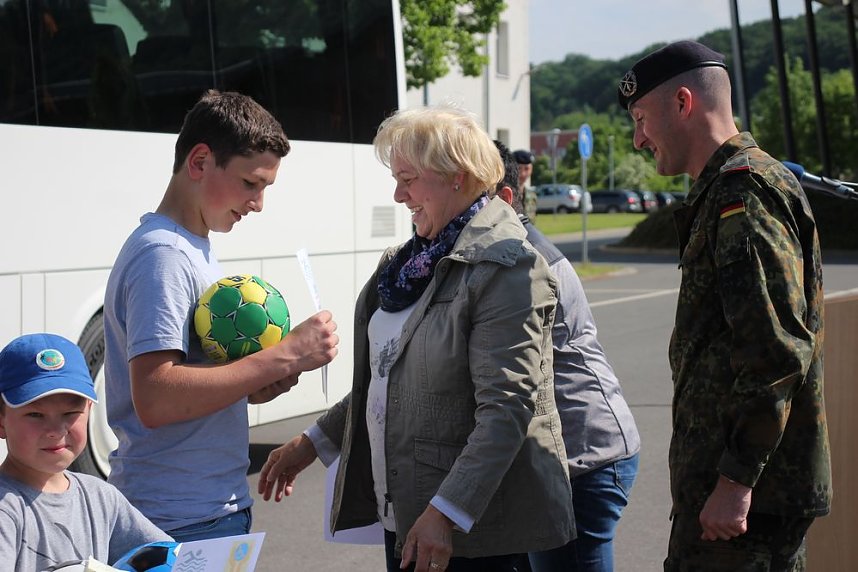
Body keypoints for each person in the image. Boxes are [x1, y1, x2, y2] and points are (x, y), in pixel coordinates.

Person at [258, 105, 575, 572]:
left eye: (409, 178)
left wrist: (447, 512)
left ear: (457, 176)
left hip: (474, 535)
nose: (397, 194)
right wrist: (313, 442)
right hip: (409, 516)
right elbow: (390, 379)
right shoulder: (408, 262)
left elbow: (507, 409)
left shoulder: (507, 267)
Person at [617, 41, 831, 570]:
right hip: (733, 494)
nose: (638, 139)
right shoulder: (729, 188)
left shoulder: (744, 195)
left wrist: (735, 482)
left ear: (684, 103)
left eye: (641, 119)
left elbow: (776, 354)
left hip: (747, 506)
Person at [103, 90, 339, 542]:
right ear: (199, 162)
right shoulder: (164, 255)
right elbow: (155, 397)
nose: (258, 203)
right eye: (251, 183)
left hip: (200, 509)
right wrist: (283, 357)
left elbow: (189, 383)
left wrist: (253, 382)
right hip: (181, 518)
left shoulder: (190, 247)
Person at [494, 141, 641, 572]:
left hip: (581, 460)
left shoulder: (523, 260)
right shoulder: (506, 250)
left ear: (504, 199)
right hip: (560, 457)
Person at [0, 333, 171, 571]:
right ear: (1, 421)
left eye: (70, 414)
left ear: (89, 410)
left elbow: (169, 557)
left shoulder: (100, 497)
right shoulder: (5, 509)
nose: (55, 430)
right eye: (35, 415)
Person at [513, 148, 538, 220]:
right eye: (519, 168)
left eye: (526, 169)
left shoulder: (532, 196)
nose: (523, 174)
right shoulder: (505, 194)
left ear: (531, 169)